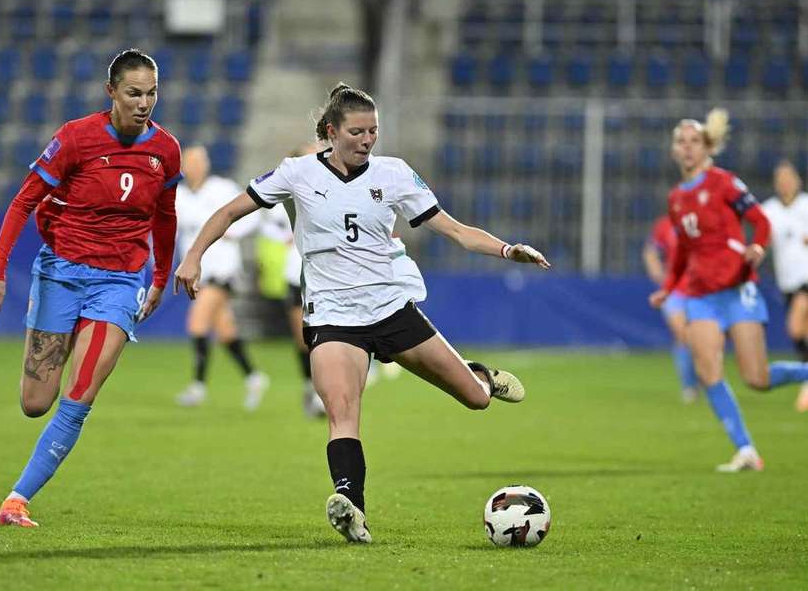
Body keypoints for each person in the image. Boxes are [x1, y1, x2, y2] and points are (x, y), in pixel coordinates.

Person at [174, 83, 549, 543]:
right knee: (343, 413)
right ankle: (350, 503)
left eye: (374, 130)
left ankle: (482, 376)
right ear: (331, 132)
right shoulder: (296, 173)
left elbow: (455, 230)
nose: (367, 139)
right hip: (333, 317)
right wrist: (192, 257)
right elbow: (230, 212)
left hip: (391, 309)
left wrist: (509, 249)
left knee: (475, 399)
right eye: (357, 131)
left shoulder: (393, 174)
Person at [0, 49, 182, 527]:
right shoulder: (76, 138)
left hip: (119, 282)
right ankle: (59, 330)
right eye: (134, 93)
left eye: (152, 93)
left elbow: (165, 216)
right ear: (111, 92)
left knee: (81, 395)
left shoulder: (166, 150)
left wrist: (159, 275)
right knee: (35, 403)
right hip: (61, 275)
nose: (144, 102)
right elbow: (22, 202)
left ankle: (16, 500)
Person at [649, 108, 808, 472]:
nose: (687, 148)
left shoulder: (723, 182)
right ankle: (746, 450)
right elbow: (683, 252)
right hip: (701, 295)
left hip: (737, 289)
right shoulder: (676, 198)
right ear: (674, 150)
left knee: (757, 378)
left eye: (694, 141)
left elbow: (759, 220)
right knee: (709, 373)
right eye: (681, 142)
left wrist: (757, 247)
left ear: (707, 148)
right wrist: (668, 288)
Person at [174, 145, 269, 410]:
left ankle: (197, 387)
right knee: (226, 331)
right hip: (198, 274)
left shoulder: (222, 188)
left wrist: (234, 233)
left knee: (197, 323)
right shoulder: (179, 196)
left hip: (222, 270)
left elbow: (253, 215)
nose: (195, 166)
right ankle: (254, 376)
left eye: (199, 161)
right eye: (190, 162)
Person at [762, 160, 808, 412]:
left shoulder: (806, 205)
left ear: (797, 180)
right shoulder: (769, 210)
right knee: (803, 332)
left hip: (806, 278)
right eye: (780, 178)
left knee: (794, 326)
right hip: (787, 281)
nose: (785, 182)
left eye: (788, 177)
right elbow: (763, 238)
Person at [643, 215, 699, 403]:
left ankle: (706, 378)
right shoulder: (665, 224)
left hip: (702, 289)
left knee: (701, 338)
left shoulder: (705, 219)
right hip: (674, 290)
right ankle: (689, 386)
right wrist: (657, 271)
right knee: (682, 335)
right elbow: (651, 250)